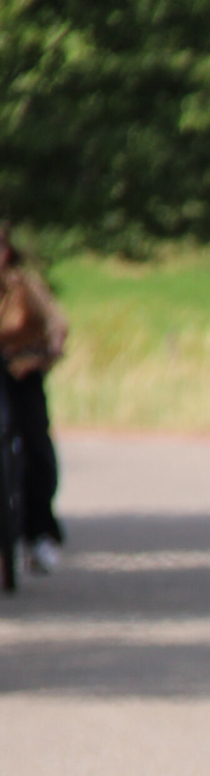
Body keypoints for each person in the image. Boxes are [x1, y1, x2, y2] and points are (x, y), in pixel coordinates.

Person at [0, 224, 68, 575]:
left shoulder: (24, 285)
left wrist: (48, 353)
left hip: (21, 370)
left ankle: (40, 532)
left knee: (36, 448)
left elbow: (57, 322)